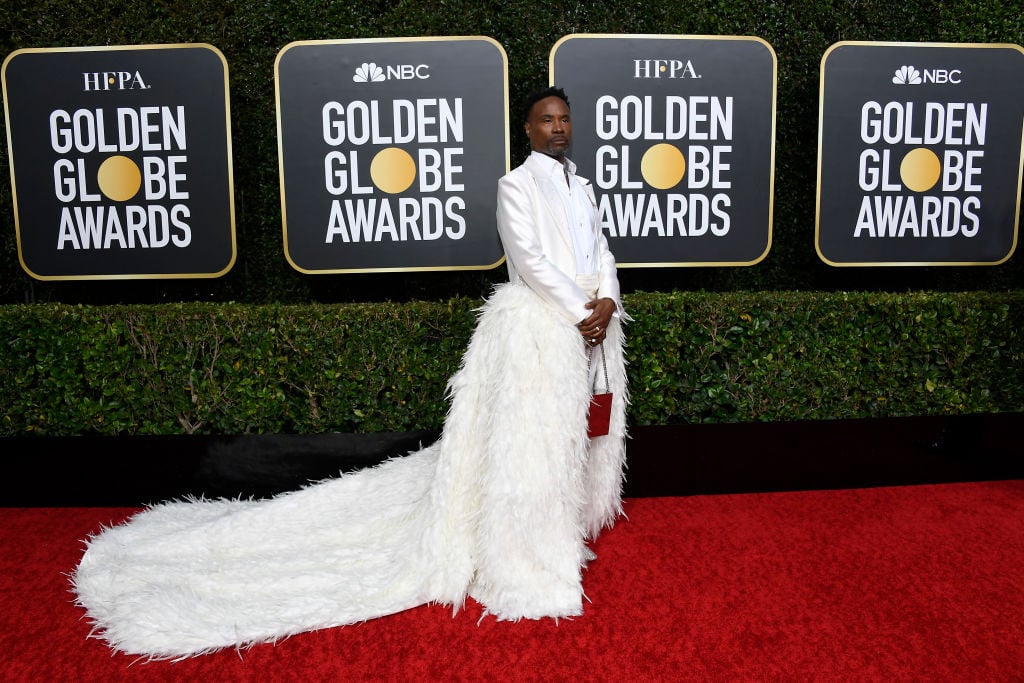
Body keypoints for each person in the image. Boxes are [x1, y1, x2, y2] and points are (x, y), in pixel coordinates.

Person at [72, 86, 628, 660]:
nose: (558, 128)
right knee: (527, 452)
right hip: (539, 332)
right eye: (546, 120)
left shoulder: (582, 186)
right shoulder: (515, 186)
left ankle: (561, 531)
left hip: (592, 332)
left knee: (577, 440)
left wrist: (607, 301)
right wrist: (580, 310)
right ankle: (525, 554)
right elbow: (530, 259)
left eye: (564, 119)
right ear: (529, 129)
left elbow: (603, 252)